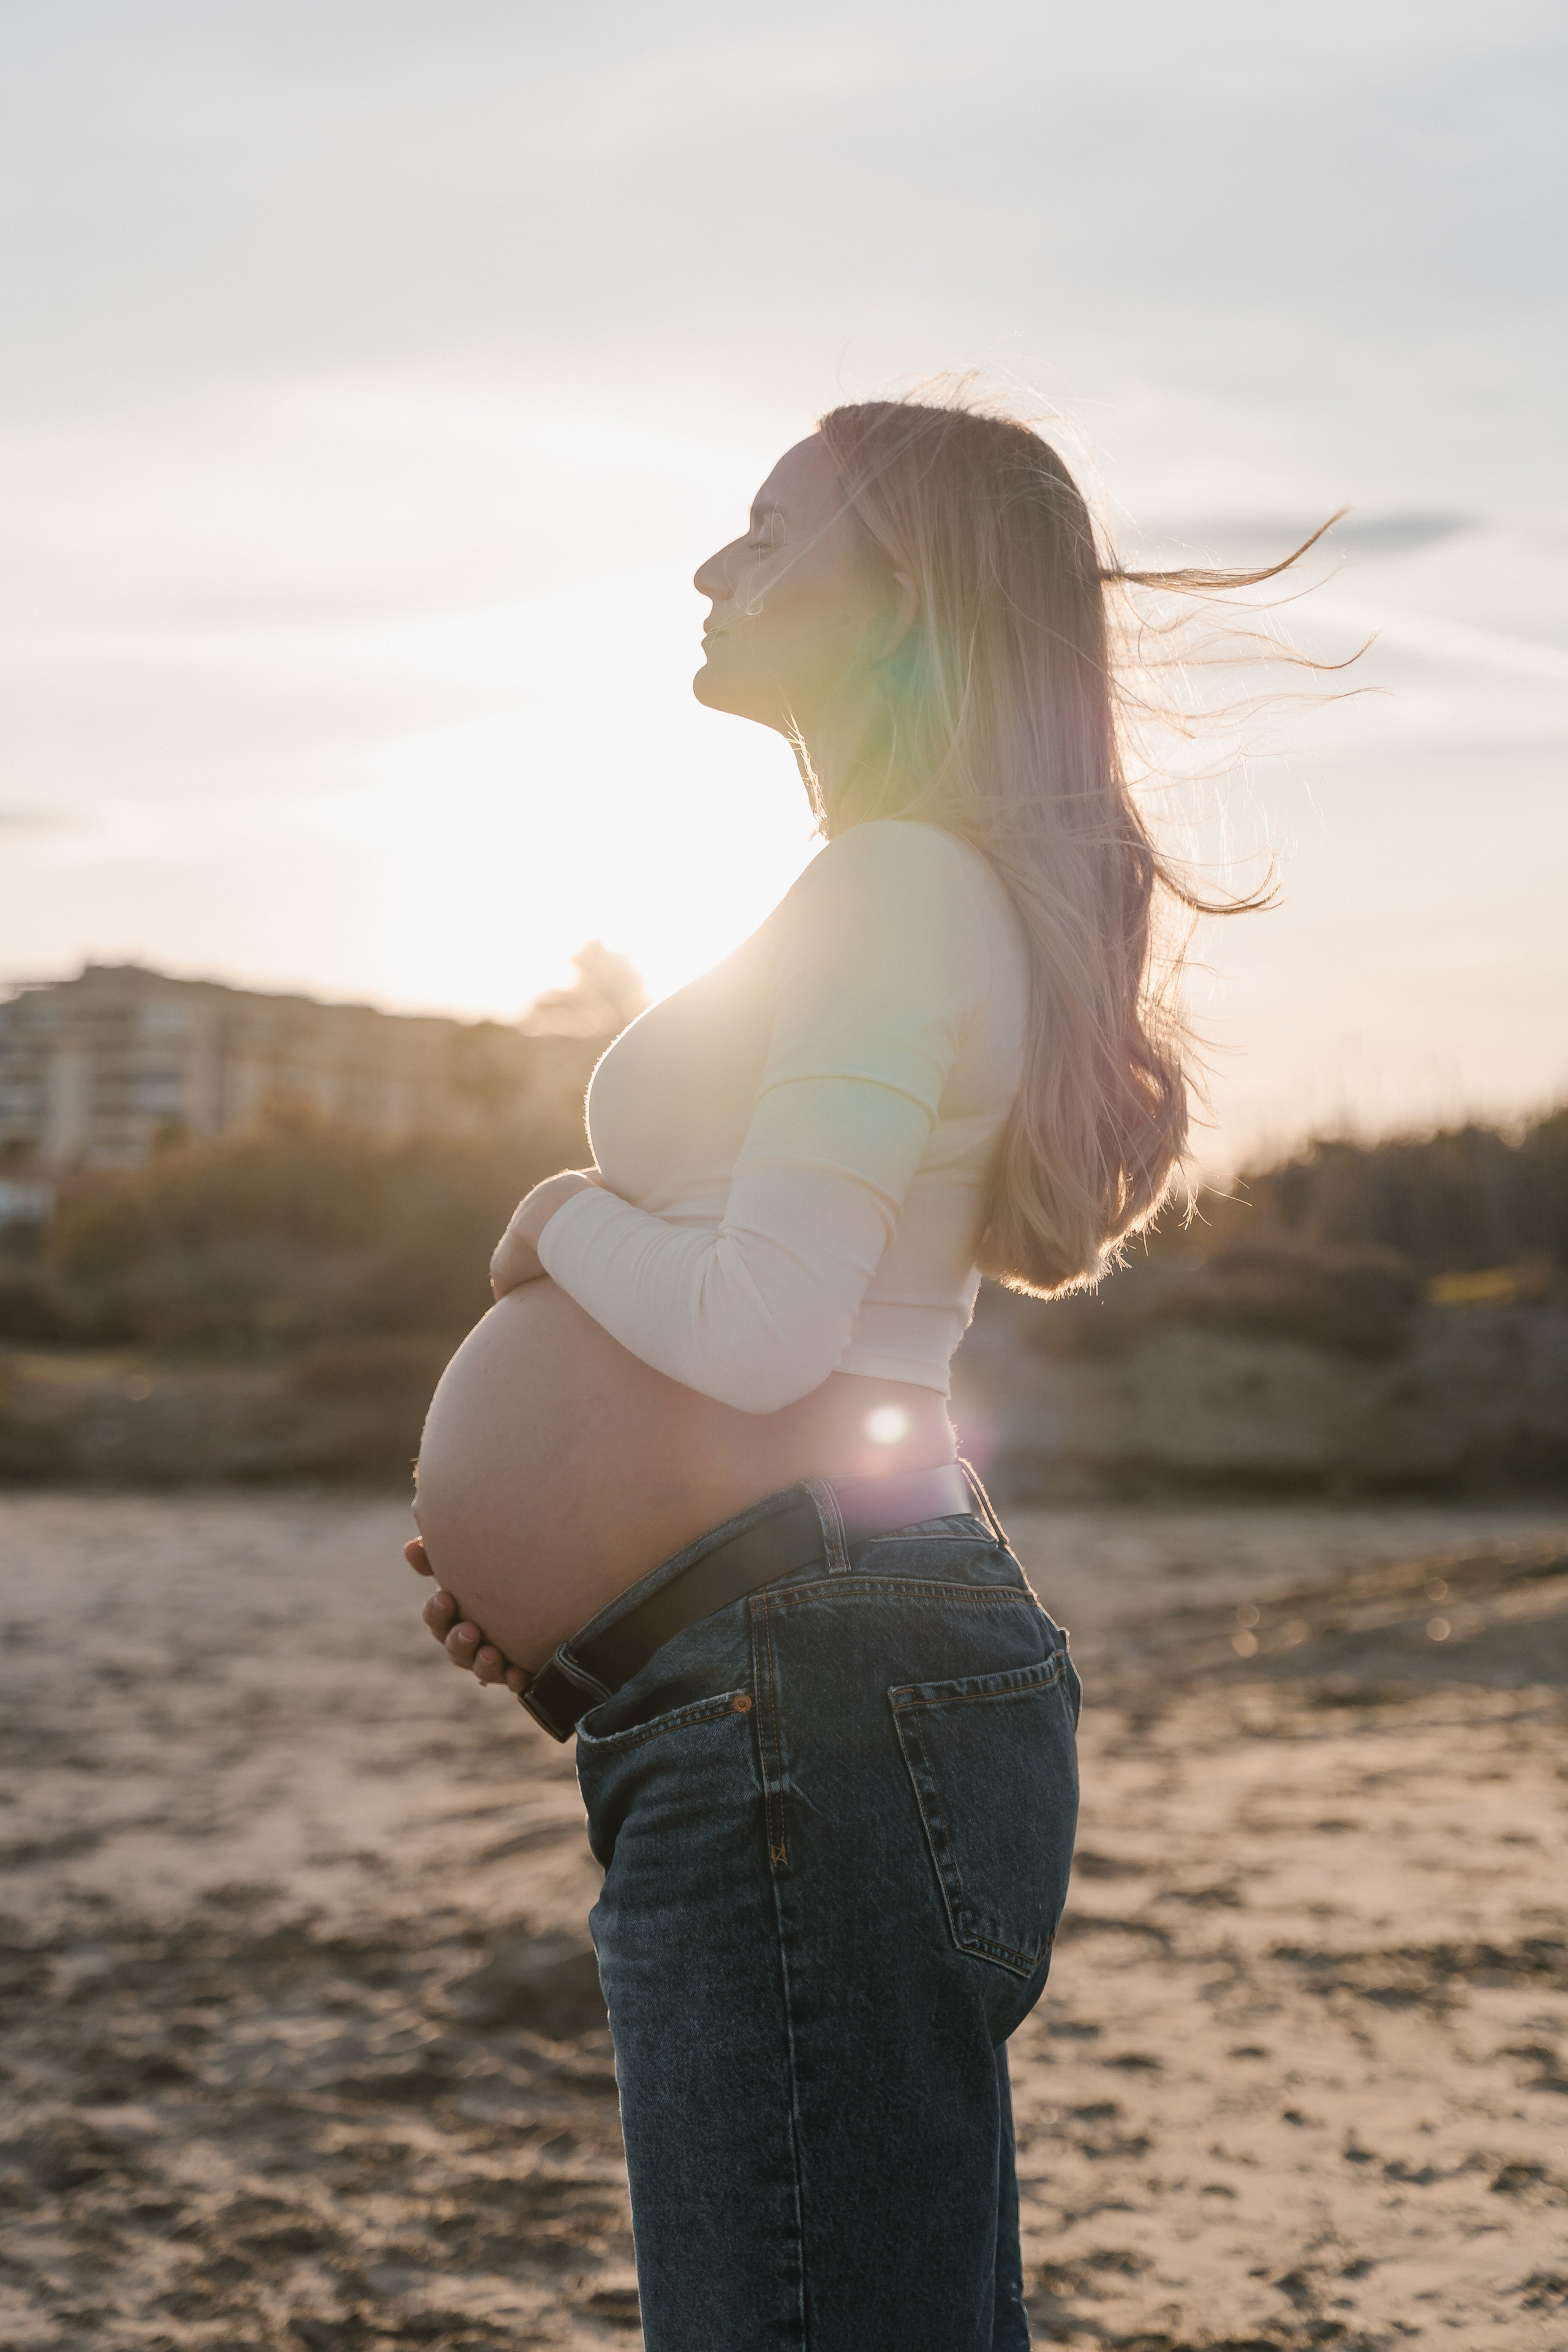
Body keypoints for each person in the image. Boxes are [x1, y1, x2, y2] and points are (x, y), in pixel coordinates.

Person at [405, 398, 1310, 2350]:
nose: (716, 570)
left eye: (769, 533)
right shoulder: (892, 884)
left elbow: (767, 1326)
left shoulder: (896, 886)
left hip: (809, 1703)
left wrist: (556, 1216)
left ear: (907, 602)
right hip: (772, 1679)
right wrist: (585, 1610)